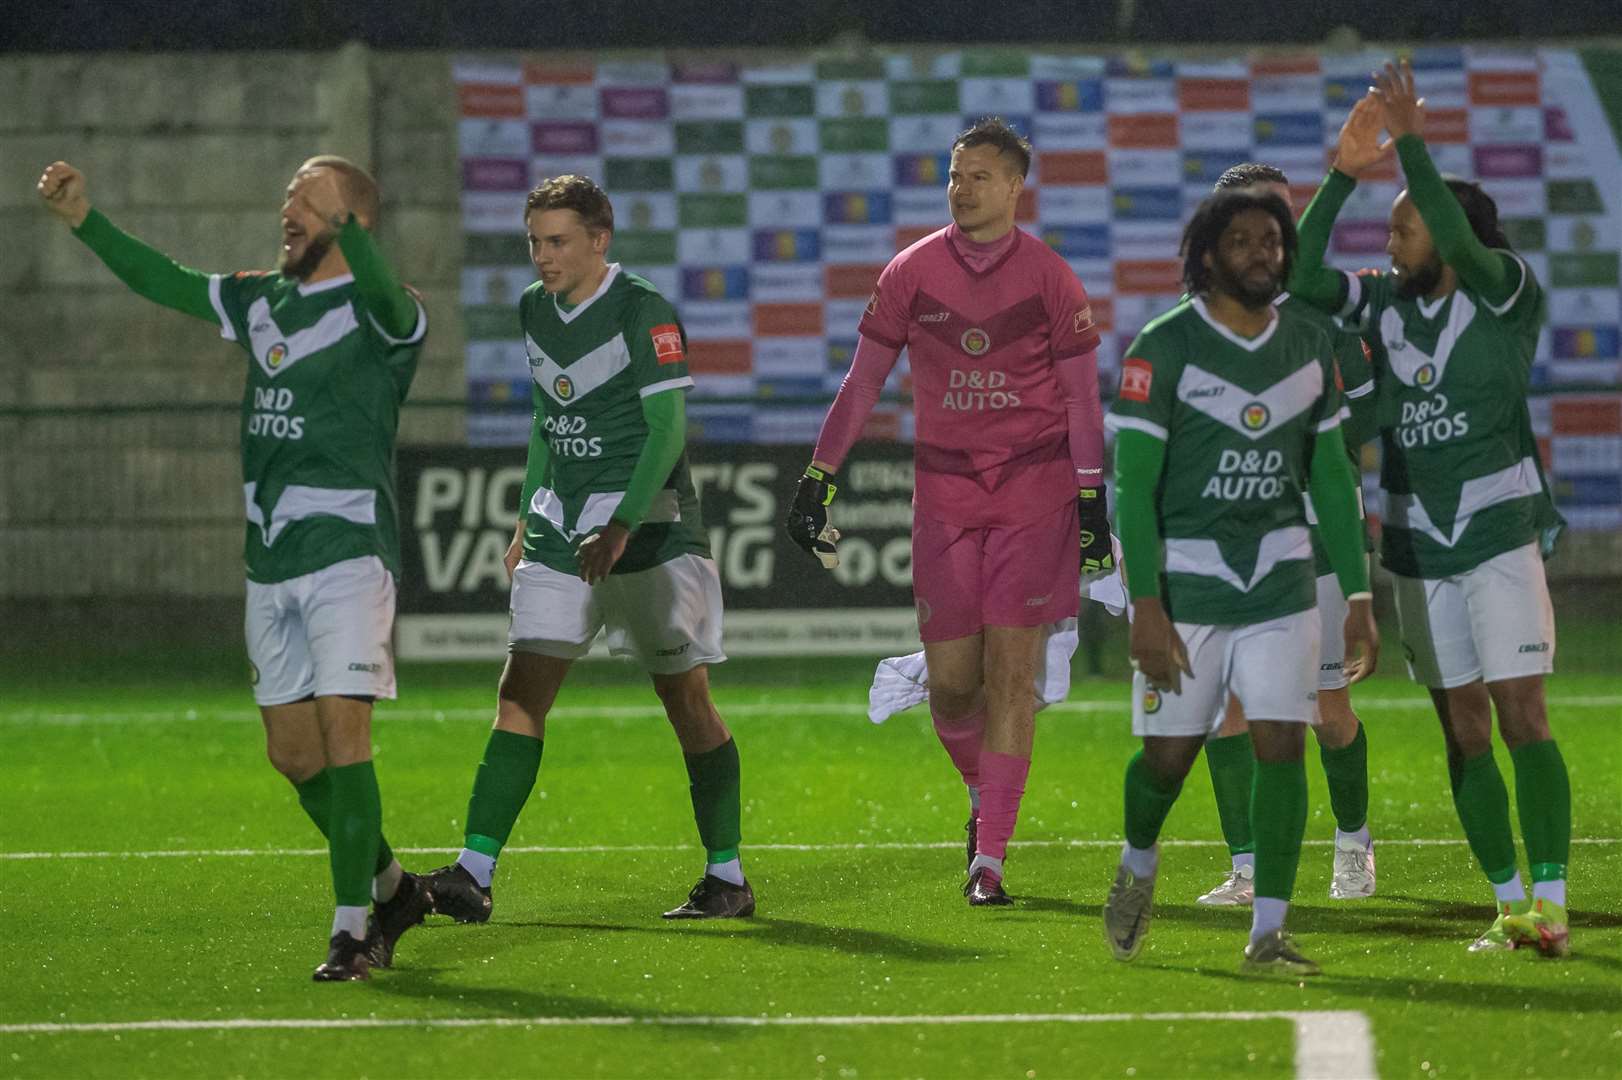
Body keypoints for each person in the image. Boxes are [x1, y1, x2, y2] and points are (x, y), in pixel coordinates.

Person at [36, 156, 431, 981]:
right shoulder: (261, 298)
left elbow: (392, 297)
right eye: (286, 190)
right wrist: (84, 219)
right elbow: (167, 281)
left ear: (349, 220)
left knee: (345, 735)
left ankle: (353, 932)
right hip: (270, 560)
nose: (287, 204)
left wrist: (350, 227)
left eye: (307, 196)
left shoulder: (381, 312)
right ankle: (394, 886)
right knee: (293, 756)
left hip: (347, 556)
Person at [784, 117, 1110, 906]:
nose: (962, 188)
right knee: (954, 686)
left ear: (1015, 188)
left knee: (1011, 676)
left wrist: (1093, 499)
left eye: (979, 177)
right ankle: (982, 795)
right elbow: (861, 383)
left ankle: (989, 858)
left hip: (1034, 497)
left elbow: (1080, 398)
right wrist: (818, 477)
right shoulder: (910, 271)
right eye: (955, 175)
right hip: (944, 498)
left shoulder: (1051, 278)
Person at [1288, 63, 1572, 956]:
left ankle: (1556, 903)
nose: (1393, 237)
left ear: (1449, 239)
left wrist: (1411, 145)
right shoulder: (1381, 303)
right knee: (1462, 726)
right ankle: (1508, 904)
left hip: (1497, 540)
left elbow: (1448, 223)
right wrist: (1342, 174)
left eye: (1405, 228)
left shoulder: (1506, 294)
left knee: (1523, 714)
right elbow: (1299, 278)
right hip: (1416, 547)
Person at [419, 174, 752, 923]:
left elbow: (667, 433)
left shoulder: (644, 312)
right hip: (558, 526)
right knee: (521, 692)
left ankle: (727, 875)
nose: (543, 256)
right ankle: (473, 871)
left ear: (600, 240)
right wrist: (520, 522)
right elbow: (546, 416)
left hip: (651, 532)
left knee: (685, 700)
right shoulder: (534, 309)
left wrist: (625, 525)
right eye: (534, 241)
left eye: (558, 240)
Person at [1101, 188, 1378, 975]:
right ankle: (1139, 864)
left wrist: (1357, 593)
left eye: (1274, 241)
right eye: (1245, 240)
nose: (1264, 252)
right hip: (1188, 584)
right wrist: (1145, 603)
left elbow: (1331, 475)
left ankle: (1268, 930)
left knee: (1281, 741)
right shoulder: (1165, 345)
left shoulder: (1307, 343)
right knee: (1167, 756)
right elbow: (1135, 487)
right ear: (1209, 254)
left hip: (1282, 579)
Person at [1192, 164, 1381, 908]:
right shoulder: (1197, 321)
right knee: (1226, 712)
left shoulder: (1324, 318)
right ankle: (1246, 867)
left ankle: (1353, 845)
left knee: (1327, 711)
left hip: (1316, 546)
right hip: (1233, 549)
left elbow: (1363, 419)